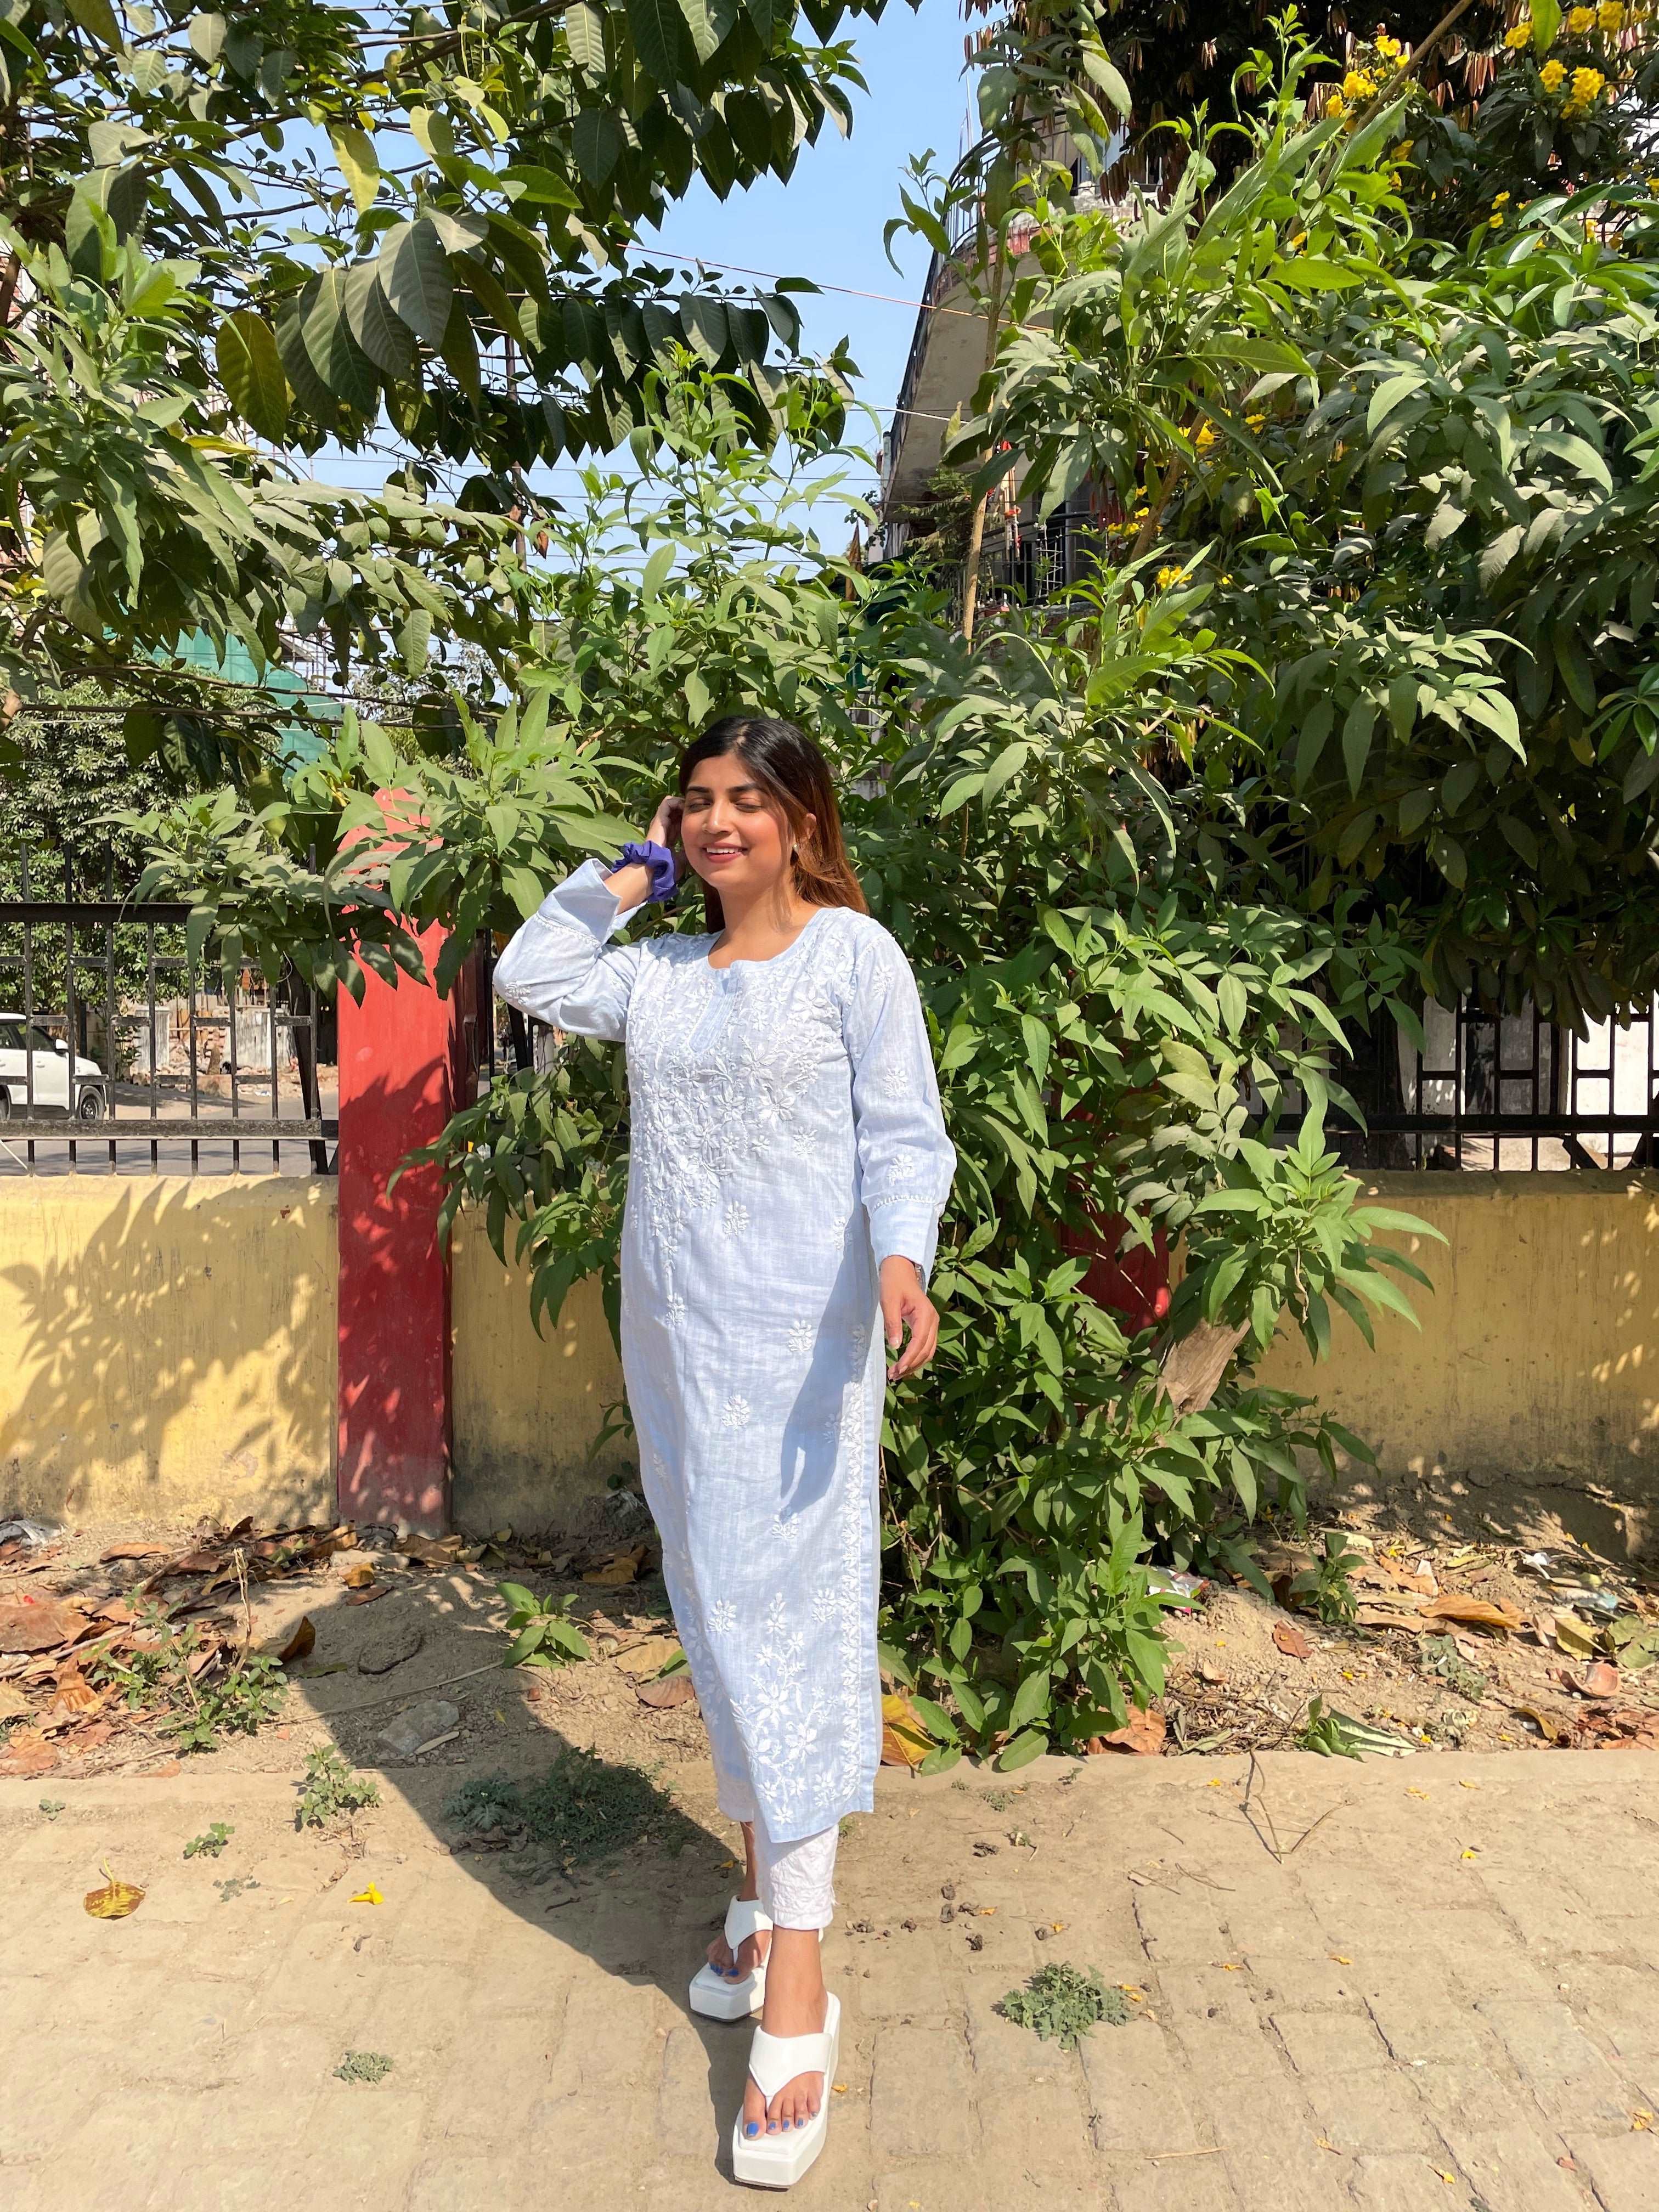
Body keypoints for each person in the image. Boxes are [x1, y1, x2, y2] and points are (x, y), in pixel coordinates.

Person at [493, 714, 955, 2189]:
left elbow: (909, 1135)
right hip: (679, 1347)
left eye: (747, 800)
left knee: (786, 1629)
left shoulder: (853, 962)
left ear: (805, 820)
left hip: (806, 1354)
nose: (716, 822)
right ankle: (763, 1894)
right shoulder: (667, 979)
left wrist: (904, 1261)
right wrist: (623, 875)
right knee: (713, 1610)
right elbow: (529, 974)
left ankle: (800, 1979)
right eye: (696, 803)